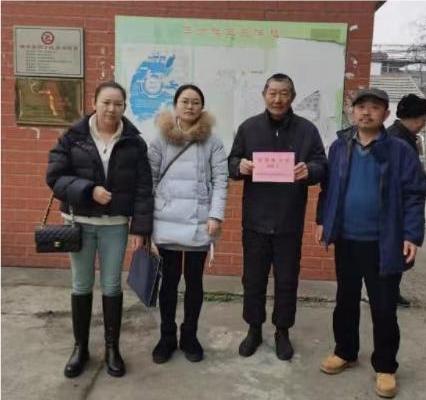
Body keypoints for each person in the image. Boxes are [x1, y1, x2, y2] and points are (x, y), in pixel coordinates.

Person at [316, 88, 425, 398]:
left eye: (375, 107)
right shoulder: (340, 146)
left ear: (386, 114)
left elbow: (414, 194)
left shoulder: (399, 150)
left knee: (384, 307)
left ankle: (386, 366)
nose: (366, 112)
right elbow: (328, 188)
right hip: (346, 239)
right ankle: (345, 351)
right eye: (361, 106)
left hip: (384, 242)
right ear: (352, 112)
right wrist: (323, 220)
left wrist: (411, 235)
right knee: (345, 300)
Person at [46, 81, 154, 378]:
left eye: (118, 104)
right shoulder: (73, 137)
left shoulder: (134, 142)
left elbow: (144, 188)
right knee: (81, 284)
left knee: (112, 286)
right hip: (79, 223)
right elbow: (55, 177)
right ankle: (80, 348)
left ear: (124, 107)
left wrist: (140, 228)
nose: (111, 108)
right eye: (106, 102)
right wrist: (88, 190)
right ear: (94, 103)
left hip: (114, 226)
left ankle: (112, 348)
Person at [228, 73, 327, 361]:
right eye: (272, 93)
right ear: (264, 95)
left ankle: (282, 331)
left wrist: (310, 171)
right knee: (253, 280)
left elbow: (322, 164)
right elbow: (231, 161)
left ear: (292, 97)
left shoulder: (307, 130)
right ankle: (254, 328)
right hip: (255, 221)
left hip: (288, 221)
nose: (278, 99)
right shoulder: (249, 128)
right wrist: (239, 166)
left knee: (287, 281)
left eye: (284, 93)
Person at [149, 84, 228, 364]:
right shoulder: (160, 140)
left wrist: (215, 215)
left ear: (201, 107)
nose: (190, 106)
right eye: (185, 101)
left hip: (199, 222)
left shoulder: (213, 142)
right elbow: (150, 181)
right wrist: (147, 222)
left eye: (195, 102)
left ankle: (190, 336)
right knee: (168, 283)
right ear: (176, 105)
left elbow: (221, 180)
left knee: (194, 283)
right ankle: (167, 336)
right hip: (166, 221)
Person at [387, 94, 426, 307]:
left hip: (400, 207)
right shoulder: (397, 140)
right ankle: (388, 294)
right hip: (397, 208)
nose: (423, 125)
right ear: (415, 118)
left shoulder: (405, 137)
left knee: (398, 254)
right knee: (396, 253)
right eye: (423, 120)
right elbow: (404, 179)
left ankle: (392, 292)